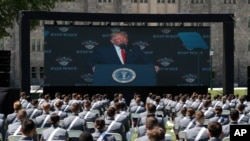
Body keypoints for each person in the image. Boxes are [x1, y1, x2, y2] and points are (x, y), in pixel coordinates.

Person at [86, 31, 159, 72]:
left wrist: (153, 66)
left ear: (127, 41)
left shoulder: (135, 49)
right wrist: (94, 67)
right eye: (119, 38)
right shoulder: (103, 50)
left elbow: (146, 59)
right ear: (112, 41)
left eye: (124, 38)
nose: (122, 40)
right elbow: (90, 62)